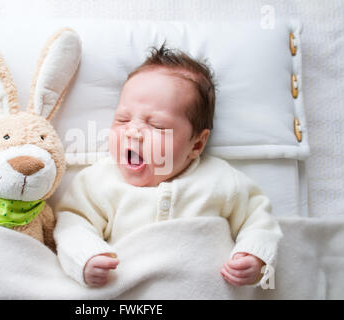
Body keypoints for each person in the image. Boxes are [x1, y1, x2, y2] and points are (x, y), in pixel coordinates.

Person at [54, 43, 283, 288]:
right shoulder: (97, 182)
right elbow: (72, 224)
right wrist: (86, 257)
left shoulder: (222, 180)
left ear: (196, 144)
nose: (133, 132)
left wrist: (255, 255)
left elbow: (258, 220)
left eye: (158, 126)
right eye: (122, 119)